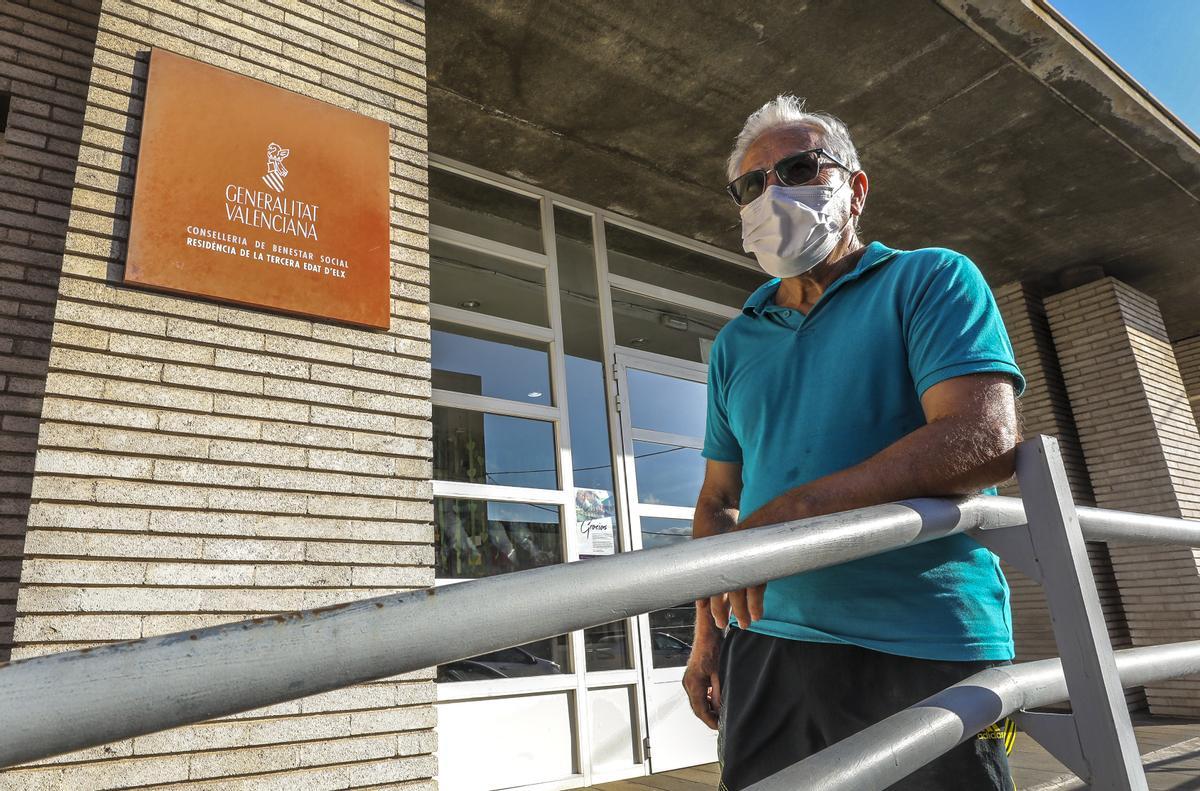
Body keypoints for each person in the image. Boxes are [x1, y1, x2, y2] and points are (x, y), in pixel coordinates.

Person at [681, 95, 1024, 790]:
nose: (772, 190)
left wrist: (794, 511)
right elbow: (719, 499)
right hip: (770, 645)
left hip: (922, 638)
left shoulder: (930, 279)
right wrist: (706, 635)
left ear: (855, 188)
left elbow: (984, 437)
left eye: (799, 167)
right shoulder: (735, 342)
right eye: (753, 183)